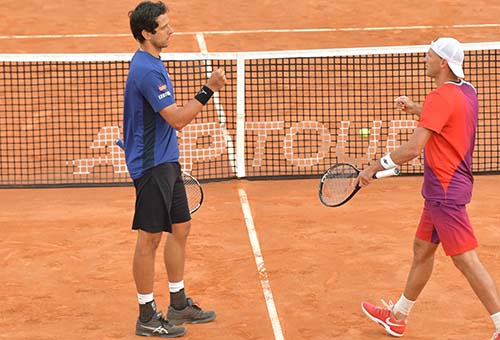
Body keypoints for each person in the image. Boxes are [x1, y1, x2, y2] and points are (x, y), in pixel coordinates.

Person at [355, 37, 500, 339]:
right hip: (442, 189)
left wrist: (372, 167)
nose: (425, 59)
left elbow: (412, 149)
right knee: (422, 250)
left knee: (466, 261)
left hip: (445, 192)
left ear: (443, 63)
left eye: (429, 55)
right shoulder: (467, 91)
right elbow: (447, 116)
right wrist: (416, 108)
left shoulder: (439, 98)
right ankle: (398, 316)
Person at [123, 1, 226, 337]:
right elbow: (178, 120)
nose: (171, 31)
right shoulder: (147, 70)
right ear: (146, 34)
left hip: (166, 160)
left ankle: (178, 304)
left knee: (180, 228)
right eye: (164, 27)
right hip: (152, 165)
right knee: (149, 239)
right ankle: (146, 315)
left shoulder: (152, 60)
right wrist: (208, 88)